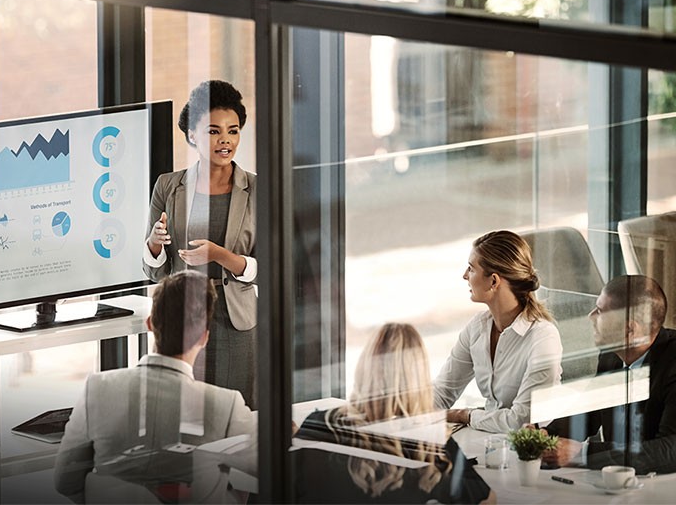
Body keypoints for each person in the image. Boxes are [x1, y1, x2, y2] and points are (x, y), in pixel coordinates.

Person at [54, 270, 257, 503]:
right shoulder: (225, 405)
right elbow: (272, 466)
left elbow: (65, 481)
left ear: (150, 324)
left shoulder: (97, 389)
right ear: (204, 337)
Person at [142, 79, 257, 408]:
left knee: (237, 411)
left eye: (233, 131)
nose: (225, 140)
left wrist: (219, 255)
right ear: (192, 135)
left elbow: (269, 267)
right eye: (213, 131)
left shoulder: (257, 189)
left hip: (235, 320)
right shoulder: (168, 186)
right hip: (182, 314)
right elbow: (155, 273)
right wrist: (153, 244)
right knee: (181, 410)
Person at [294, 323, 495, 504]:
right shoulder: (434, 447)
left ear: (364, 368)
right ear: (419, 380)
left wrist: (296, 436)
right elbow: (487, 500)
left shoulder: (321, 424)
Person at [541, 275, 676, 474]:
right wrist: (545, 434)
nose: (590, 316)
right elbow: (588, 412)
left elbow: (668, 452)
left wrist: (583, 454)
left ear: (630, 328)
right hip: (618, 484)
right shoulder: (611, 354)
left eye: (601, 311)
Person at [433, 230, 562, 433]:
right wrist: (404, 415)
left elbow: (519, 420)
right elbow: (442, 391)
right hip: (486, 439)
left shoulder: (542, 337)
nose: (464, 275)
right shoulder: (477, 328)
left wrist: (464, 415)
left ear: (493, 281)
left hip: (530, 449)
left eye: (471, 268)